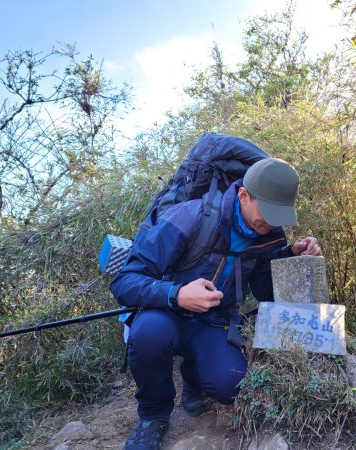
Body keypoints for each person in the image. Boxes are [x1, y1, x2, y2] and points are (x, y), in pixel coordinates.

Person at [110, 150, 322, 450]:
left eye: (279, 216)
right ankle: (153, 417)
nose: (271, 224)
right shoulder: (190, 217)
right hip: (166, 314)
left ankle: (193, 380)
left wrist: (290, 256)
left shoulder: (270, 234)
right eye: (268, 213)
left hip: (214, 322)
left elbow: (263, 289)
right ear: (244, 195)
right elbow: (125, 281)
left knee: (230, 386)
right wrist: (177, 294)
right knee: (148, 335)